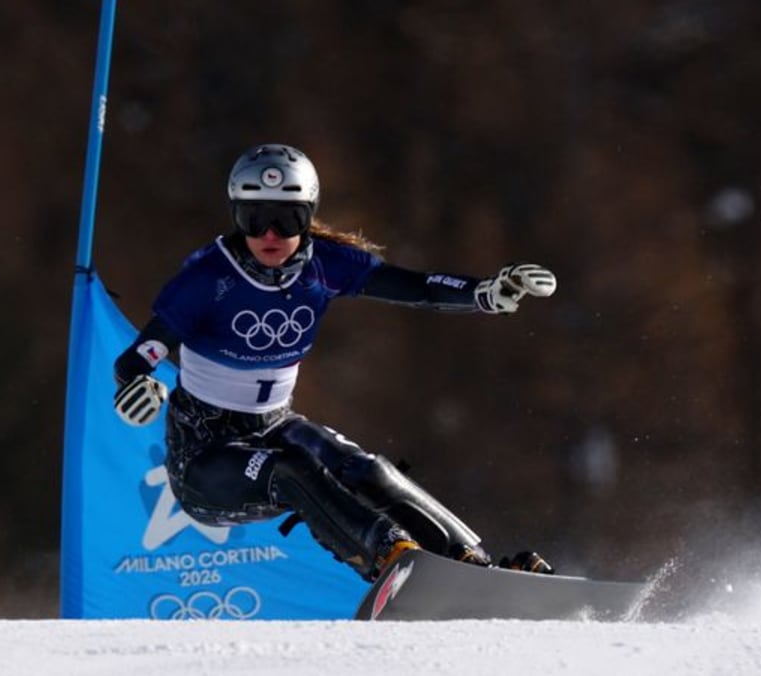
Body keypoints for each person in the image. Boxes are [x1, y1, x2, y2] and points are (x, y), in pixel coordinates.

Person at [112, 143, 557, 581]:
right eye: (255, 217)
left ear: (308, 216)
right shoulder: (208, 278)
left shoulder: (323, 264)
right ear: (235, 215)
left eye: (287, 219)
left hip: (274, 424)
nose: (270, 234)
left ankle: (471, 565)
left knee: (366, 470)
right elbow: (136, 358)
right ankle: (391, 559)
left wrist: (486, 293)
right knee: (294, 469)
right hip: (206, 456)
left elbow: (415, 286)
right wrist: (136, 385)